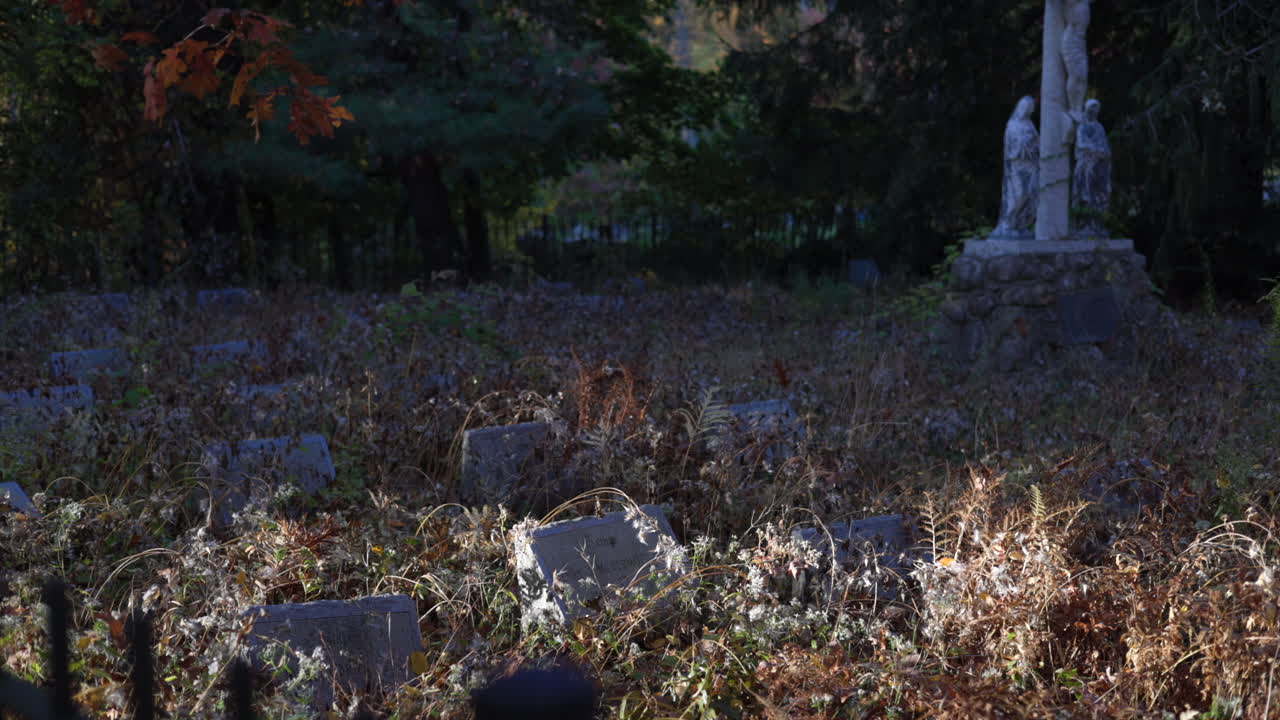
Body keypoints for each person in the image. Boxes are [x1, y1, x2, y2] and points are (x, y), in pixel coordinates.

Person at [992, 96, 1039, 238]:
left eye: (1030, 108)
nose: (1027, 110)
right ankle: (1008, 223)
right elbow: (1011, 147)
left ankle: (1020, 224)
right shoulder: (1012, 125)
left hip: (1031, 165)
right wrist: (1025, 143)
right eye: (1025, 107)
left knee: (1030, 195)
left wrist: (1033, 146)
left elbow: (1038, 142)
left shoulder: (1030, 125)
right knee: (1018, 195)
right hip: (1017, 165)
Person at [1072, 99, 1111, 236]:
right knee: (1085, 194)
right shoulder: (1082, 127)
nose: (1093, 111)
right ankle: (1084, 225)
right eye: (1091, 109)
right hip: (1086, 166)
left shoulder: (1099, 127)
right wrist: (1097, 150)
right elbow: (1082, 144)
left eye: (1096, 109)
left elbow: (1105, 146)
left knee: (1100, 195)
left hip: (1100, 166)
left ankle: (1097, 225)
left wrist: (1103, 153)